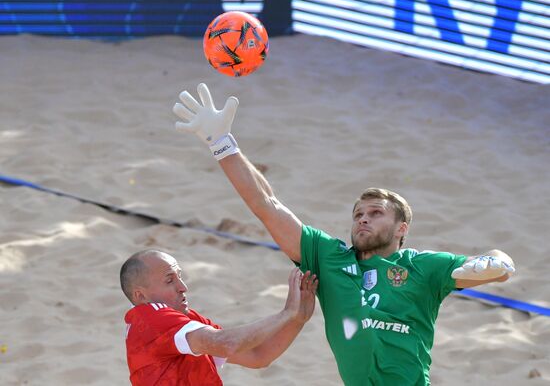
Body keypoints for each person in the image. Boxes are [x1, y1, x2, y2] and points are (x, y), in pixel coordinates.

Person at [172, 83, 516, 386]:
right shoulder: (328, 256)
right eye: (358, 214)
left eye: (375, 213)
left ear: (402, 229)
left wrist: (492, 264)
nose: (363, 220)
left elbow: (498, 263)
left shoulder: (424, 267)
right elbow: (266, 204)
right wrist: (222, 144)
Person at [120, 249, 318, 386]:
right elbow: (227, 343)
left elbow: (258, 356)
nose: (183, 287)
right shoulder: (152, 319)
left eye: (180, 276)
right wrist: (286, 314)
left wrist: (297, 319)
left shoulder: (184, 322)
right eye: (170, 280)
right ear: (140, 296)